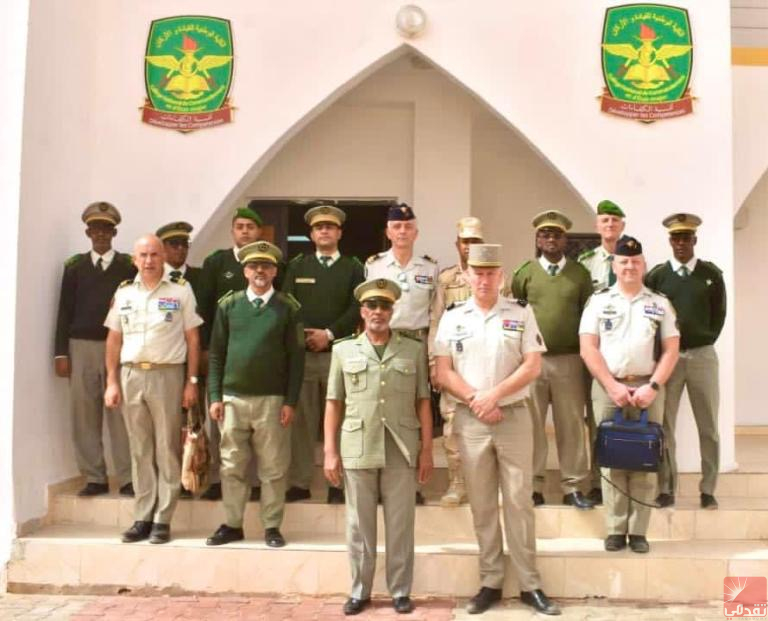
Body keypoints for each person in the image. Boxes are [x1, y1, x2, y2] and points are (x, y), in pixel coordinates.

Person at [435, 244, 560, 616]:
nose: (485, 279)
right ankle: (490, 581)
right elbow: (443, 371)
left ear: (501, 276)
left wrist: (494, 396)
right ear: (468, 275)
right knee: (483, 503)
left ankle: (529, 584)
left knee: (520, 501)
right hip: (472, 420)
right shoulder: (453, 316)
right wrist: (477, 399)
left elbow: (532, 365)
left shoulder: (520, 312)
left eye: (491, 273)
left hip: (513, 417)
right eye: (478, 272)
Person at [324, 278, 433, 616]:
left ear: (392, 310)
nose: (378, 312)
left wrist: (427, 450)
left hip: (401, 446)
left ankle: (400, 590)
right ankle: (360, 590)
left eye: (385, 306)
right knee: (359, 525)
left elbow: (423, 402)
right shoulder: (343, 350)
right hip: (358, 444)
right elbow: (333, 402)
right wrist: (330, 451)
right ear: (362, 310)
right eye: (372, 306)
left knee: (401, 524)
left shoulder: (413, 349)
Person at [579, 235, 680, 554]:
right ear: (614, 264)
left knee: (646, 458)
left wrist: (653, 387)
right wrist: (611, 385)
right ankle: (614, 528)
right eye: (624, 261)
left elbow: (671, 349)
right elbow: (588, 347)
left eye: (635, 262)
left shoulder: (659, 302)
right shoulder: (599, 301)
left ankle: (638, 531)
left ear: (643, 265)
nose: (630, 267)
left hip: (648, 388)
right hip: (609, 388)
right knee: (612, 460)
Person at [205, 241, 304, 548]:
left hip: (272, 401)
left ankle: (272, 526)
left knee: (273, 468)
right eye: (253, 266)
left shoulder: (288, 308)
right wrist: (215, 396)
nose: (260, 271)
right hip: (233, 399)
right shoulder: (228, 305)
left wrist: (290, 401)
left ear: (275, 271)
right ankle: (233, 523)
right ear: (245, 270)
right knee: (231, 465)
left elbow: (296, 359)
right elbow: (217, 354)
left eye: (266, 266)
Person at [104, 234, 202, 544]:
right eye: (143, 255)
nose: (149, 260)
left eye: (155, 255)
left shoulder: (181, 291)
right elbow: (114, 340)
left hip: (167, 376)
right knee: (140, 449)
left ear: (164, 257)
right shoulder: (124, 294)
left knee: (167, 448)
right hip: (132, 374)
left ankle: (163, 518)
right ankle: (142, 515)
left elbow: (193, 340)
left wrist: (191, 382)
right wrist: (111, 381)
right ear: (134, 259)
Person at [282, 205, 365, 505]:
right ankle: (300, 481)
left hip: (339, 353)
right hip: (304, 355)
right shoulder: (298, 266)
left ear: (339, 233)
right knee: (302, 420)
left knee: (341, 419)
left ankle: (338, 483)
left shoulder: (353, 267)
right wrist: (307, 336)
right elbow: (288, 303)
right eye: (319, 228)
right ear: (311, 234)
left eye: (330, 227)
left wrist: (328, 334)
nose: (325, 231)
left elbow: (358, 307)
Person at [511, 211, 594, 510]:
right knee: (531, 426)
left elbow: (588, 315)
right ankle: (534, 485)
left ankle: (573, 486)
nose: (550, 239)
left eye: (556, 234)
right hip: (533, 362)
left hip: (570, 361)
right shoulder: (525, 273)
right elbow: (516, 315)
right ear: (537, 239)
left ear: (565, 239)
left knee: (571, 426)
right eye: (545, 234)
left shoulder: (580, 274)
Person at [54, 201, 135, 497]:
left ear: (114, 232)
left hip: (119, 347)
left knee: (121, 415)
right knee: (84, 415)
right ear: (88, 232)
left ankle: (127, 478)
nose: (100, 234)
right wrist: (61, 352)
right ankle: (94, 477)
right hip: (81, 347)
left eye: (106, 229)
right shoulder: (74, 267)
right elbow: (64, 310)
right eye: (95, 229)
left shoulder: (128, 266)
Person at [645, 214, 726, 510]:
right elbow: (650, 317)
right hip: (669, 358)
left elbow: (718, 316)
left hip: (702, 355)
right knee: (665, 425)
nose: (680, 244)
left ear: (695, 240)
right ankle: (667, 487)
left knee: (709, 425)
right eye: (675, 238)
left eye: (686, 238)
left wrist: (702, 339)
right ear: (670, 242)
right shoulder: (657, 277)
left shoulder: (711, 275)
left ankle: (708, 488)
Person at [366, 202, 438, 505]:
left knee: (416, 412)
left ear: (416, 232)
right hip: (386, 343)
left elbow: (436, 315)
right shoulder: (375, 265)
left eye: (408, 226)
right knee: (383, 408)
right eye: (397, 226)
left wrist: (434, 356)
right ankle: (381, 479)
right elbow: (367, 310)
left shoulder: (429, 267)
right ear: (388, 231)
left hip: (418, 345)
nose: (403, 231)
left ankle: (414, 485)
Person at [197, 204, 264, 501]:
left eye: (250, 227)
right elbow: (204, 307)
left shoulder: (267, 262)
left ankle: (253, 481)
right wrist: (203, 348)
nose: (245, 231)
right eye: (240, 227)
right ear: (233, 231)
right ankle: (216, 479)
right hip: (221, 352)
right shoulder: (217, 262)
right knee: (219, 418)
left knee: (254, 423)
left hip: (256, 355)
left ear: (259, 231)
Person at [427, 216, 484, 507]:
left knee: (487, 431)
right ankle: (457, 483)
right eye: (465, 241)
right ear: (457, 244)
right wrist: (434, 364)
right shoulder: (446, 280)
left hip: (486, 368)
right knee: (452, 430)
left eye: (475, 241)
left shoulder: (496, 278)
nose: (469, 246)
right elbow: (435, 322)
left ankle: (484, 487)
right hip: (453, 367)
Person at [577, 199, 627, 504]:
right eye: (604, 220)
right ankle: (597, 481)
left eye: (614, 220)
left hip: (623, 352)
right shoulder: (585, 262)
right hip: (594, 351)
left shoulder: (632, 258)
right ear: (597, 225)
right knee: (594, 418)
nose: (609, 225)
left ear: (622, 226)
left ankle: (625, 474)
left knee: (624, 417)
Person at [157, 221, 202, 297]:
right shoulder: (153, 276)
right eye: (174, 243)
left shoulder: (202, 277)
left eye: (184, 243)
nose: (180, 248)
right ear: (162, 247)